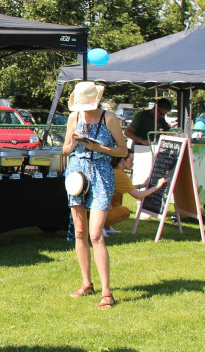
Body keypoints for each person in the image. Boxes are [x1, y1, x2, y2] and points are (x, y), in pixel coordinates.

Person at [63, 81, 128, 310]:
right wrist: (74, 141)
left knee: (96, 233)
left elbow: (123, 150)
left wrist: (99, 148)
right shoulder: (74, 118)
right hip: (76, 174)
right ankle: (86, 284)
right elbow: (64, 150)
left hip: (101, 174)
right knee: (79, 231)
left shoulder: (109, 118)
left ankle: (107, 292)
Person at [104, 149, 167, 235]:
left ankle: (105, 227)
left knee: (116, 200)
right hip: (101, 211)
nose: (132, 163)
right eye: (131, 160)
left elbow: (127, 187)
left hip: (100, 209)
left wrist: (143, 185)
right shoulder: (120, 174)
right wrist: (157, 186)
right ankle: (101, 227)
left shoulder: (114, 170)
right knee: (125, 211)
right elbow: (138, 195)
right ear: (122, 160)